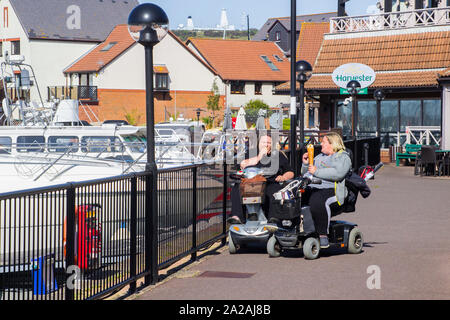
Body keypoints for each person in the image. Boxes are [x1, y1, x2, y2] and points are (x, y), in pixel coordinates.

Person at [228, 135, 294, 224]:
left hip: (269, 181)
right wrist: (260, 156)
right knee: (236, 188)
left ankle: (272, 218)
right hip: (250, 182)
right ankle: (237, 216)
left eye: (269, 143)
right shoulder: (250, 153)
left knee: (274, 190)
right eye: (264, 142)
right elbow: (242, 165)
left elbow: (290, 172)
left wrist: (284, 177)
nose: (266, 145)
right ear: (259, 144)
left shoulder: (278, 155)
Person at [301, 132, 352, 248]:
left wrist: (317, 172)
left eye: (323, 142)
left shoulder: (343, 157)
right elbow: (308, 173)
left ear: (332, 144)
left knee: (318, 201)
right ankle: (292, 228)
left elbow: (338, 174)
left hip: (332, 188)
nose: (321, 144)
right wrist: (305, 164)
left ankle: (323, 234)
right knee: (295, 197)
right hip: (314, 186)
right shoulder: (319, 157)